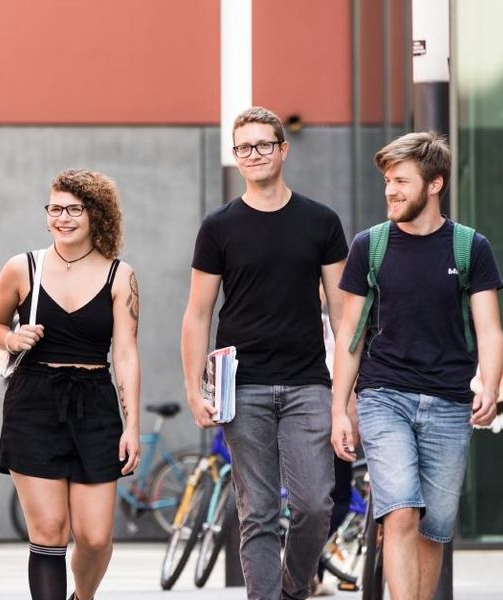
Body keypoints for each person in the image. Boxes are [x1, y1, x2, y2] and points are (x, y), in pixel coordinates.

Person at [180, 106, 349, 600]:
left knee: (315, 504)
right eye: (243, 147)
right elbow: (197, 314)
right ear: (236, 156)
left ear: (283, 149)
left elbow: (343, 316)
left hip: (308, 384)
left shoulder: (321, 221)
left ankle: (295, 585)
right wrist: (194, 389)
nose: (253, 154)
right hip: (242, 384)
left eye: (263, 145)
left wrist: (346, 394)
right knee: (256, 513)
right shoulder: (219, 226)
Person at [330, 132, 503, 600]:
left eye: (401, 181)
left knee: (434, 527)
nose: (390, 190)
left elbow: (489, 329)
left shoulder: (471, 248)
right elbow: (351, 333)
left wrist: (489, 383)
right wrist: (339, 409)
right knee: (402, 511)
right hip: (384, 395)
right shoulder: (371, 246)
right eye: (387, 181)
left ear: (434, 185)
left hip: (450, 402)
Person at [0, 168, 140, 600]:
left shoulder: (119, 275)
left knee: (94, 537)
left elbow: (125, 354)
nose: (63, 218)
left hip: (95, 403)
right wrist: (12, 338)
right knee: (50, 531)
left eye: (74, 209)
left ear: (96, 214)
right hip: (33, 401)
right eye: (55, 208)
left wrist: (131, 426)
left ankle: (83, 596)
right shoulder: (23, 267)